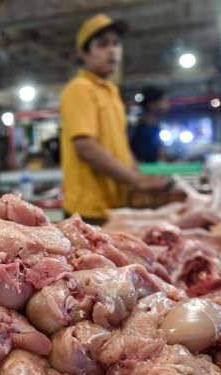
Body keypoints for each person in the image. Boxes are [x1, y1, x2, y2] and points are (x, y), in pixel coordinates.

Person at [60, 14, 170, 224]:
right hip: (88, 211)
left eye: (116, 44)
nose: (112, 51)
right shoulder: (79, 89)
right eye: (102, 45)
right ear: (83, 53)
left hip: (114, 206)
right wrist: (136, 180)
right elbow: (86, 147)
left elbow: (121, 147)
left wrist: (140, 175)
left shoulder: (111, 92)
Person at [130, 86, 169, 162]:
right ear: (152, 104)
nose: (167, 105)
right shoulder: (135, 130)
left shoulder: (157, 128)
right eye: (164, 101)